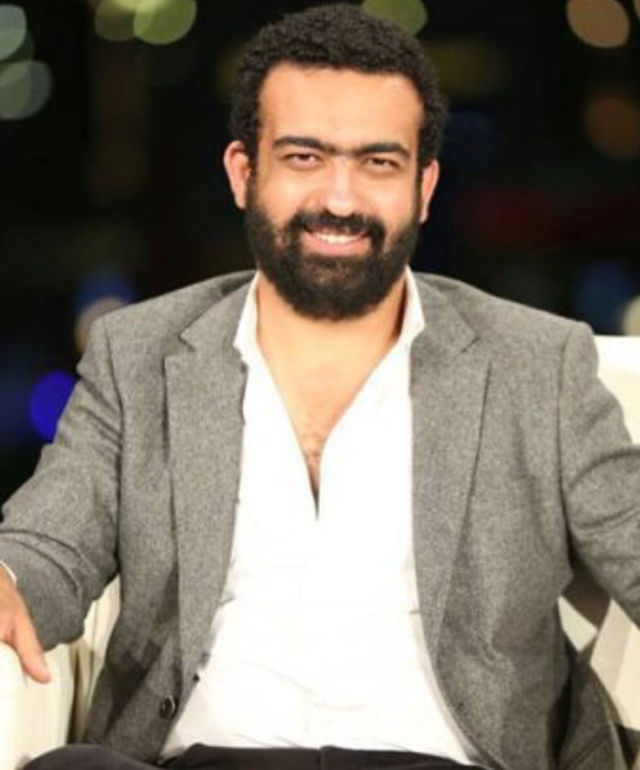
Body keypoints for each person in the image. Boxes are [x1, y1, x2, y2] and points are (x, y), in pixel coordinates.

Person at [0, 4, 638, 770]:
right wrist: (9, 579)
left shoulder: (539, 365)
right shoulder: (137, 353)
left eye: (378, 163)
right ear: (244, 173)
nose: (340, 199)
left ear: (424, 185)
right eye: (305, 157)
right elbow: (49, 546)